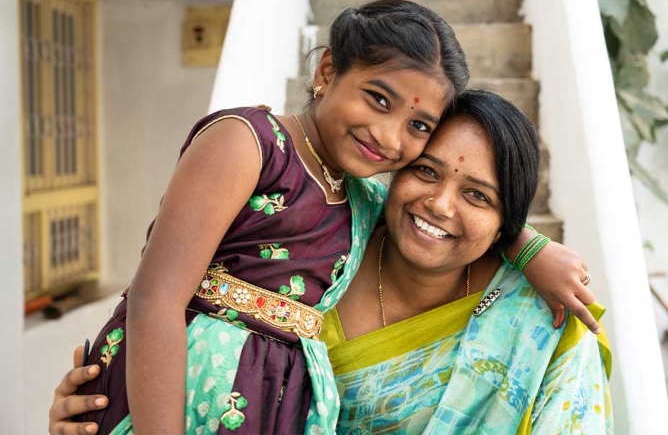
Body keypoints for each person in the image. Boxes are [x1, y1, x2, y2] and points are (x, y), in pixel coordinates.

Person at [50, 90, 609, 435]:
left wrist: (528, 247)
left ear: (506, 220)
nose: (439, 205)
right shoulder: (328, 229)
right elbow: (169, 308)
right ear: (397, 167)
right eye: (427, 172)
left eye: (478, 196)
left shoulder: (539, 327)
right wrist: (111, 408)